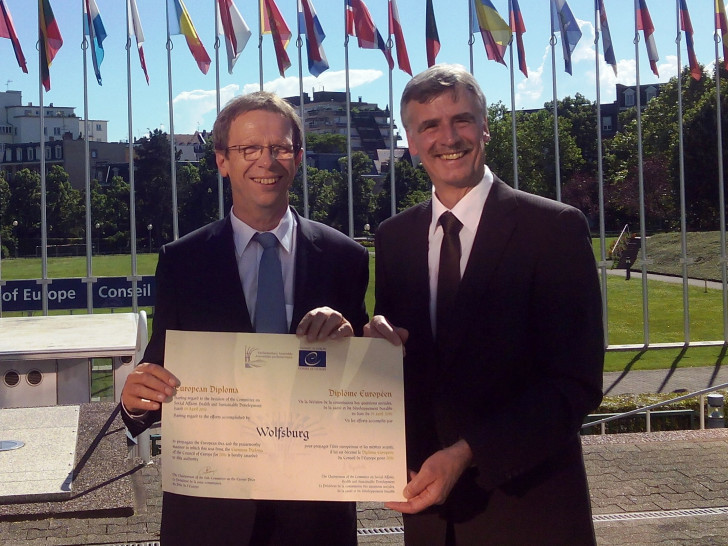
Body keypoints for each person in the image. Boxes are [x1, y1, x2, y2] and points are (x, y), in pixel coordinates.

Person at [365, 64, 604, 545]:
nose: (447, 137)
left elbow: (573, 384)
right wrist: (380, 352)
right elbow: (411, 368)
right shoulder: (395, 239)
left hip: (530, 511)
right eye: (429, 125)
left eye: (462, 120)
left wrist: (467, 453)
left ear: (485, 128)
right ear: (410, 141)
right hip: (430, 516)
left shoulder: (554, 230)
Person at [119, 91, 369, 545]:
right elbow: (160, 372)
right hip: (211, 513)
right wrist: (134, 402)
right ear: (221, 161)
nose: (266, 161)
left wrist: (352, 344)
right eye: (248, 149)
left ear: (298, 159)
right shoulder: (182, 261)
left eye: (280, 148)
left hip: (315, 512)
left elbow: (364, 385)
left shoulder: (345, 258)